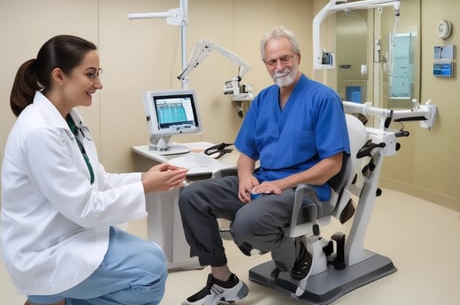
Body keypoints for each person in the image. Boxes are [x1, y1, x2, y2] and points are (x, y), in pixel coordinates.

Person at [1, 35, 188, 305]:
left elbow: (96, 179)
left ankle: (57, 300)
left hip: (70, 231)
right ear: (59, 76)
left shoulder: (70, 120)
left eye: (98, 74)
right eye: (90, 75)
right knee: (150, 273)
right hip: (45, 249)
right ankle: (52, 297)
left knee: (155, 257)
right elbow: (85, 207)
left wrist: (143, 178)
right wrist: (146, 187)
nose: (98, 84)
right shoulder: (39, 131)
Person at [178, 26, 350, 305]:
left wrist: (281, 184)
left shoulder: (323, 98)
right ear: (266, 65)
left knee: (244, 225)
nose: (279, 66)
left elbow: (332, 165)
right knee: (191, 196)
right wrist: (245, 177)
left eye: (285, 58)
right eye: (272, 61)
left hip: (302, 190)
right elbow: (246, 151)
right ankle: (223, 280)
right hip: (261, 182)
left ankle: (295, 252)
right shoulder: (263, 100)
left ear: (298, 57)